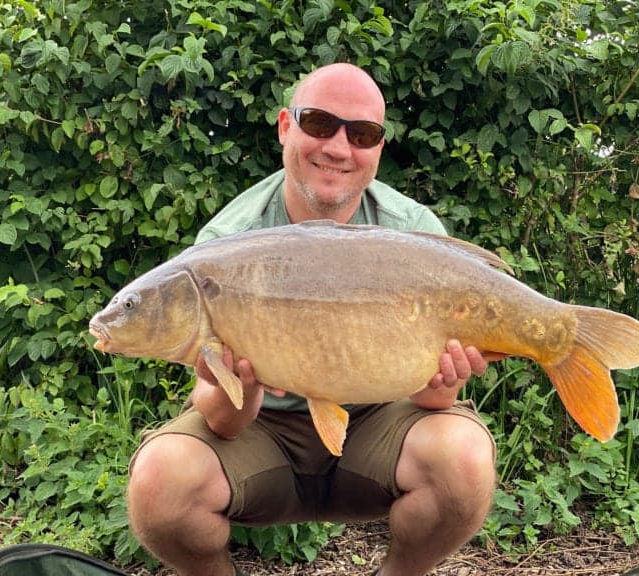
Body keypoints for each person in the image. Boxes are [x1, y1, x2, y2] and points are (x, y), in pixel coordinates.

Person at [126, 62, 498, 576]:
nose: (339, 148)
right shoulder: (227, 245)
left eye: (362, 134)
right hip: (263, 430)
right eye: (320, 124)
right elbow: (221, 419)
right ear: (285, 126)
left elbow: (432, 401)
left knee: (465, 458)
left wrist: (446, 377)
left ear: (378, 150)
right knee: (159, 483)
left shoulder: (412, 234)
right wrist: (245, 383)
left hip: (378, 420)